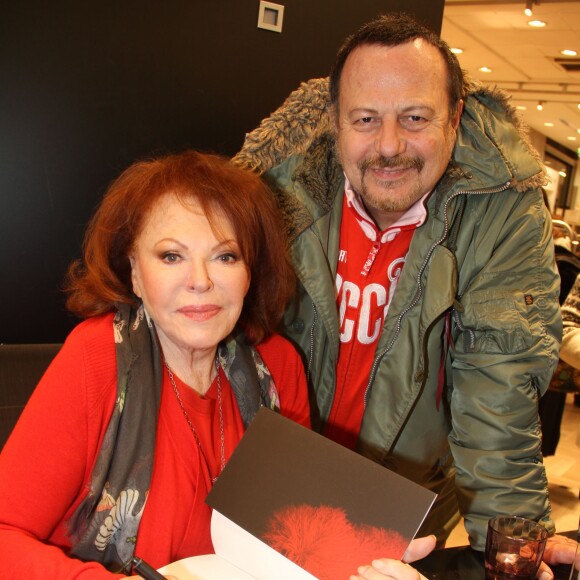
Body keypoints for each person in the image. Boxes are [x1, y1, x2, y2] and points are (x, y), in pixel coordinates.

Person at [234, 12, 580, 578]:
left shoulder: (501, 214)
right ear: (334, 121)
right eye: (365, 119)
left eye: (415, 117)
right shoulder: (272, 191)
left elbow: (499, 393)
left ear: (455, 117)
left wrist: (518, 547)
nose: (389, 146)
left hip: (401, 508)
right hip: (270, 482)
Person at [0, 150, 313, 577]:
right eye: (171, 256)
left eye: (226, 256)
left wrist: (367, 553)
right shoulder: (96, 358)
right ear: (134, 273)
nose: (200, 280)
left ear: (250, 272)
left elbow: (299, 534)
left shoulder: (278, 366)